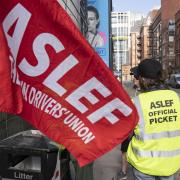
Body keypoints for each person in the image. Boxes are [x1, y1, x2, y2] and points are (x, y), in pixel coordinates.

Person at [126, 58, 180, 180]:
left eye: (138, 77)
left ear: (144, 79)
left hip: (144, 165)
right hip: (170, 164)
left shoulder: (136, 103)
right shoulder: (176, 98)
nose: (137, 80)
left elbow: (127, 133)